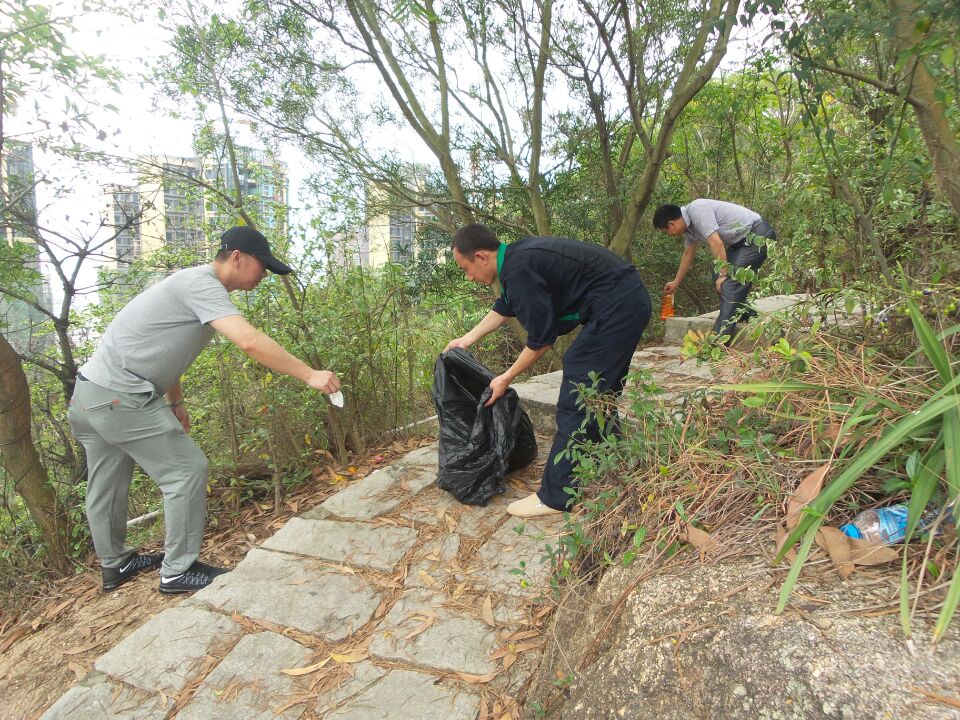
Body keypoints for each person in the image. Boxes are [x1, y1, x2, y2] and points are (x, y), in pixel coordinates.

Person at [68, 226, 341, 594]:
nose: (265, 275)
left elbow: (167, 350)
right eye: (263, 266)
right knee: (186, 470)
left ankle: (115, 563)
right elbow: (249, 340)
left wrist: (175, 401)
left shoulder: (189, 283)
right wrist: (309, 374)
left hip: (90, 395)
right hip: (121, 396)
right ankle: (177, 571)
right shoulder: (203, 284)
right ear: (237, 257)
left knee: (108, 482)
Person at [445, 224, 650, 518]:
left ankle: (556, 496)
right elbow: (505, 307)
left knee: (580, 387)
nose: (469, 277)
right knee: (598, 390)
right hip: (625, 301)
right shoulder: (515, 260)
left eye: (466, 269)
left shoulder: (518, 270)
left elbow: (541, 340)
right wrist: (466, 340)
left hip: (618, 306)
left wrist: (505, 377)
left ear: (480, 256)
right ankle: (613, 457)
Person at [654, 199, 775, 343]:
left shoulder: (697, 210)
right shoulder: (690, 229)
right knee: (717, 274)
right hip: (740, 242)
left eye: (666, 231)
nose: (670, 234)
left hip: (757, 235)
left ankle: (719, 340)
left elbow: (716, 243)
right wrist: (676, 282)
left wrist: (724, 275)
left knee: (729, 282)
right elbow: (687, 254)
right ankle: (744, 313)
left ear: (671, 224)